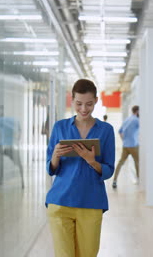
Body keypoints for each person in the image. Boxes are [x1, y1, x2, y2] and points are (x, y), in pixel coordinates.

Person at [45, 79, 115, 257]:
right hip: (60, 202)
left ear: (96, 101)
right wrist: (55, 156)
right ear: (72, 100)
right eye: (79, 104)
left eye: (89, 104)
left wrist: (91, 161)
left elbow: (108, 169)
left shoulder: (106, 130)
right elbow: (51, 169)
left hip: (91, 203)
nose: (84, 109)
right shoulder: (60, 127)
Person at [0, 106, 24, 189]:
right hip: (13, 146)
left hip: (3, 146)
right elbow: (20, 132)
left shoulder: (1, 120)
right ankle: (22, 181)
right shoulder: (15, 120)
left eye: (0, 111)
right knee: (19, 164)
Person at [112, 105, 139, 188]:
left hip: (125, 145)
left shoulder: (126, 120)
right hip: (133, 145)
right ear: (137, 111)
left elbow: (120, 131)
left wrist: (124, 140)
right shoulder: (137, 120)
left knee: (120, 163)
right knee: (138, 162)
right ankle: (140, 180)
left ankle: (114, 180)